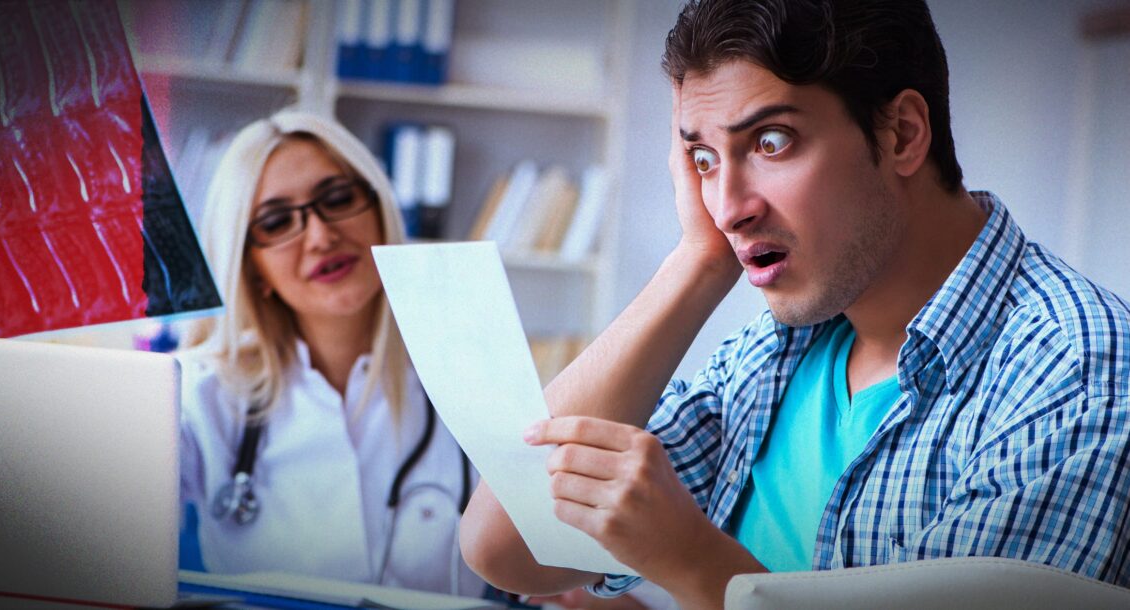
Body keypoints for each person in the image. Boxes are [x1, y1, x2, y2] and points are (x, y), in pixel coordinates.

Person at [458, 0, 1130, 608]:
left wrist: (695, 563)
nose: (728, 209)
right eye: (703, 160)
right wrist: (696, 264)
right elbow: (507, 542)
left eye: (770, 142)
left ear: (900, 133)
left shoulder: (1079, 370)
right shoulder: (774, 349)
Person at [176, 110, 486, 597]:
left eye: (338, 198)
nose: (320, 236)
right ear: (252, 266)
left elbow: (551, 571)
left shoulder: (478, 380)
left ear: (380, 211)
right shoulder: (199, 396)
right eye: (277, 222)